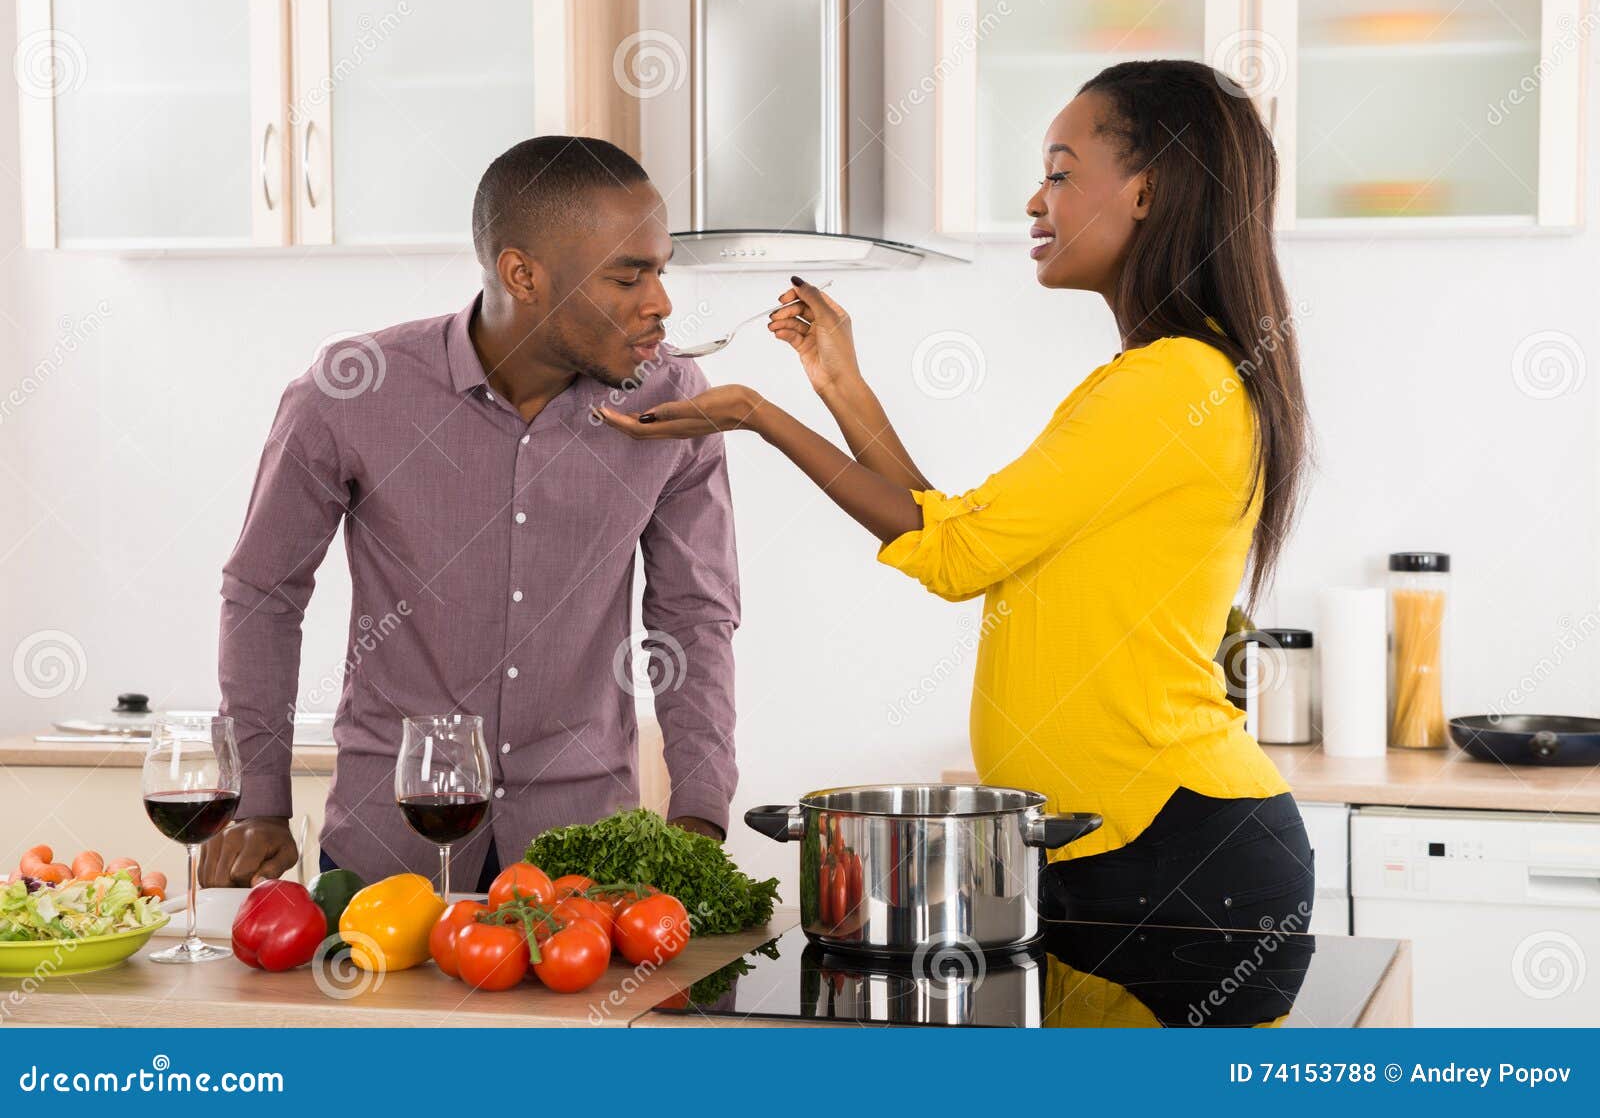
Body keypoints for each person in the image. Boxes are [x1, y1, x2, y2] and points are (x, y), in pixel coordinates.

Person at [599, 61, 1314, 932]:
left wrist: (756, 413)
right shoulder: (1166, 377)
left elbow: (954, 555)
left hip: (1173, 848)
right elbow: (960, 532)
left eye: (1059, 172)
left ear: (1146, 193)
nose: (1034, 201)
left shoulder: (1168, 386)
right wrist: (838, 382)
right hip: (1130, 842)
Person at [202, 136, 739, 891]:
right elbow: (264, 593)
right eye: (629, 276)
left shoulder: (673, 401)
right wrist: (259, 803)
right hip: (388, 852)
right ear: (523, 273)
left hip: (580, 863)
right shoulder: (352, 391)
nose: (660, 303)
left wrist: (701, 811)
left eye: (661, 270)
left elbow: (694, 616)